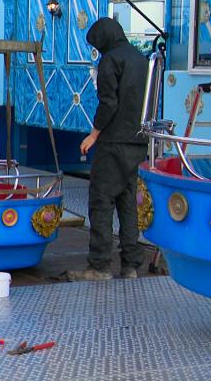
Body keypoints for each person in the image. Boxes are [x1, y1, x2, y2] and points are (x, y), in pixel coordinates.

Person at [68, 17, 149, 282]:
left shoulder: (109, 61)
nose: (98, 50)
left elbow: (109, 103)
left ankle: (100, 266)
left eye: (97, 44)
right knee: (128, 204)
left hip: (113, 143)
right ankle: (131, 265)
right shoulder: (141, 59)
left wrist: (94, 134)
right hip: (137, 143)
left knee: (101, 202)